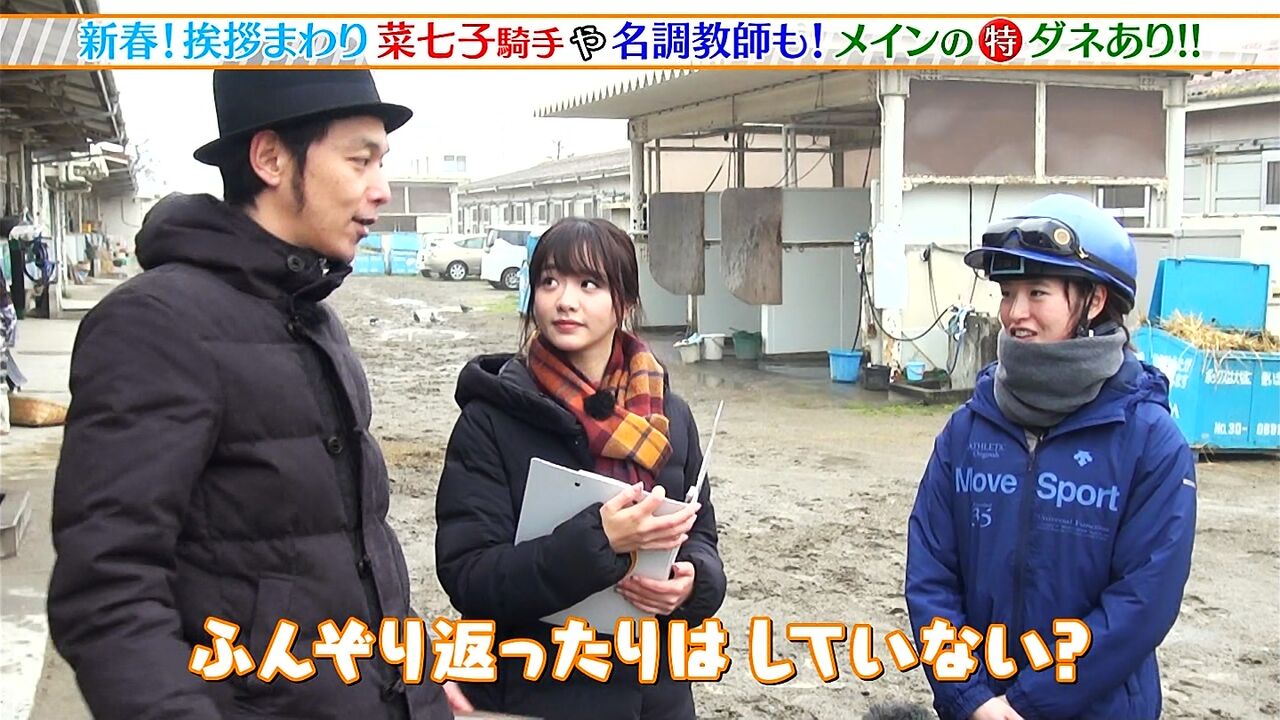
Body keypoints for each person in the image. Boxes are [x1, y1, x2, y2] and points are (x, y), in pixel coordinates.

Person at [48, 69, 458, 719]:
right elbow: (107, 593)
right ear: (270, 158)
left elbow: (351, 551)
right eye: (360, 161)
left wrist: (418, 680)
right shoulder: (155, 326)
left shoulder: (312, 314)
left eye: (382, 162)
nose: (381, 189)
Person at [905, 194, 1197, 720]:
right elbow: (931, 577)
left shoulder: (1150, 443)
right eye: (1008, 293)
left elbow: (1143, 602)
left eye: (1037, 292)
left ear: (1095, 300)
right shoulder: (966, 431)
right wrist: (970, 696)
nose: (1015, 313)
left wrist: (1028, 704)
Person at [435, 217, 727, 719]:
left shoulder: (670, 416)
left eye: (589, 284)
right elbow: (470, 575)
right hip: (532, 690)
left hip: (654, 693)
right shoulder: (491, 419)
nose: (565, 300)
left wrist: (692, 582)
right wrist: (600, 541)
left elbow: (701, 535)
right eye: (550, 281)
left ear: (624, 301)